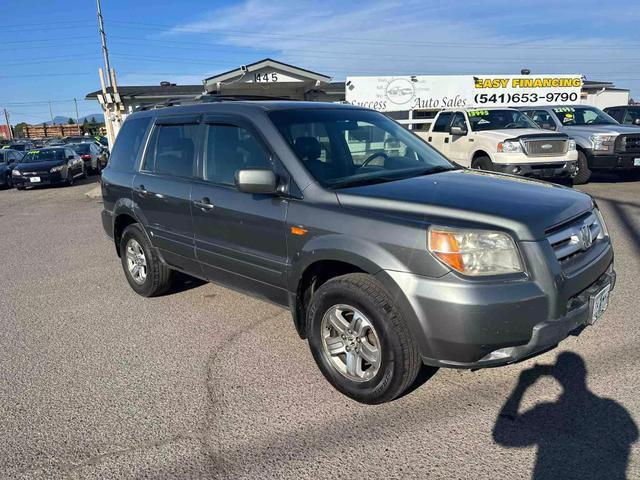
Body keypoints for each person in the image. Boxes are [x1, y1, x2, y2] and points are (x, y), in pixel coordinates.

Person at [493, 352, 638, 480]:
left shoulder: (547, 411)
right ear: (584, 373)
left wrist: (522, 385)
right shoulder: (611, 408)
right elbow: (632, 434)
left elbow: (502, 436)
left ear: (556, 376)